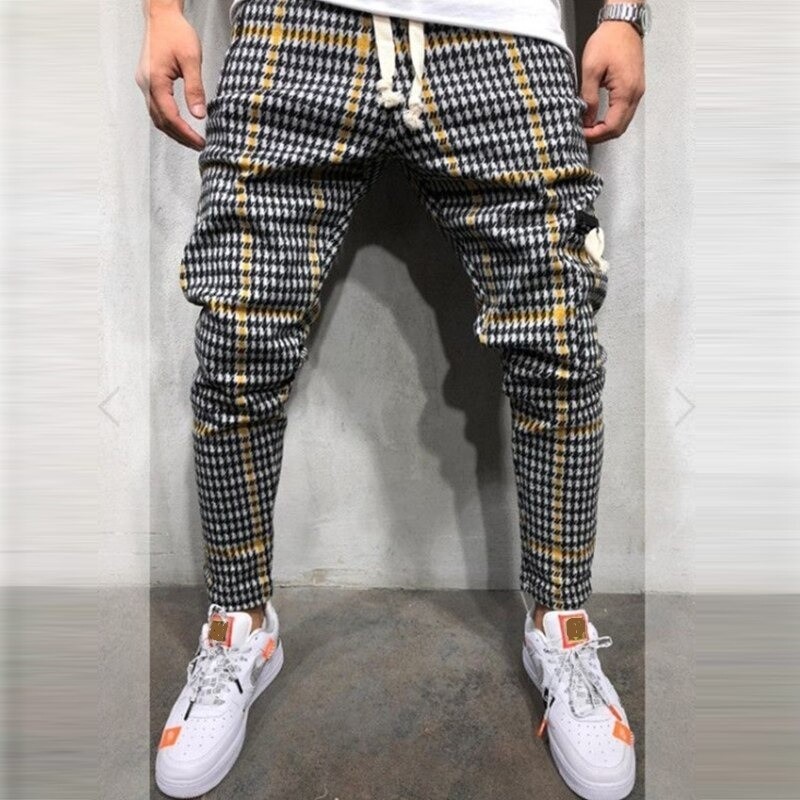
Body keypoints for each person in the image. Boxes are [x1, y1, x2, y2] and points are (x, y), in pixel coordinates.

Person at [137, 0, 647, 796]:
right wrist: (162, 11)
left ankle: (562, 628)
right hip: (292, 30)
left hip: (503, 38)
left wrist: (622, 13)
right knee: (238, 343)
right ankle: (239, 626)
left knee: (558, 344)